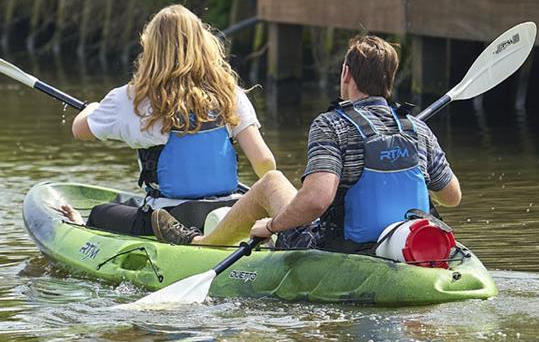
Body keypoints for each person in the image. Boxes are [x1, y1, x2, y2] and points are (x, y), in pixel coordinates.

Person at [153, 34, 460, 252]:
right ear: (391, 79)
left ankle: (200, 243)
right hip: (405, 242)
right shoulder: (417, 128)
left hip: (338, 248)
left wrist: (271, 226)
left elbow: (316, 201)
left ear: (346, 74)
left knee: (271, 181)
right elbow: (451, 196)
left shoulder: (332, 125)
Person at [67, 4, 275, 235]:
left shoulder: (130, 98)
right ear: (203, 43)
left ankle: (81, 227)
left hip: (168, 218)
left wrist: (92, 108)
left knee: (99, 213)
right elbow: (265, 161)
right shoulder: (228, 93)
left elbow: (80, 130)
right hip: (231, 212)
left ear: (151, 48)